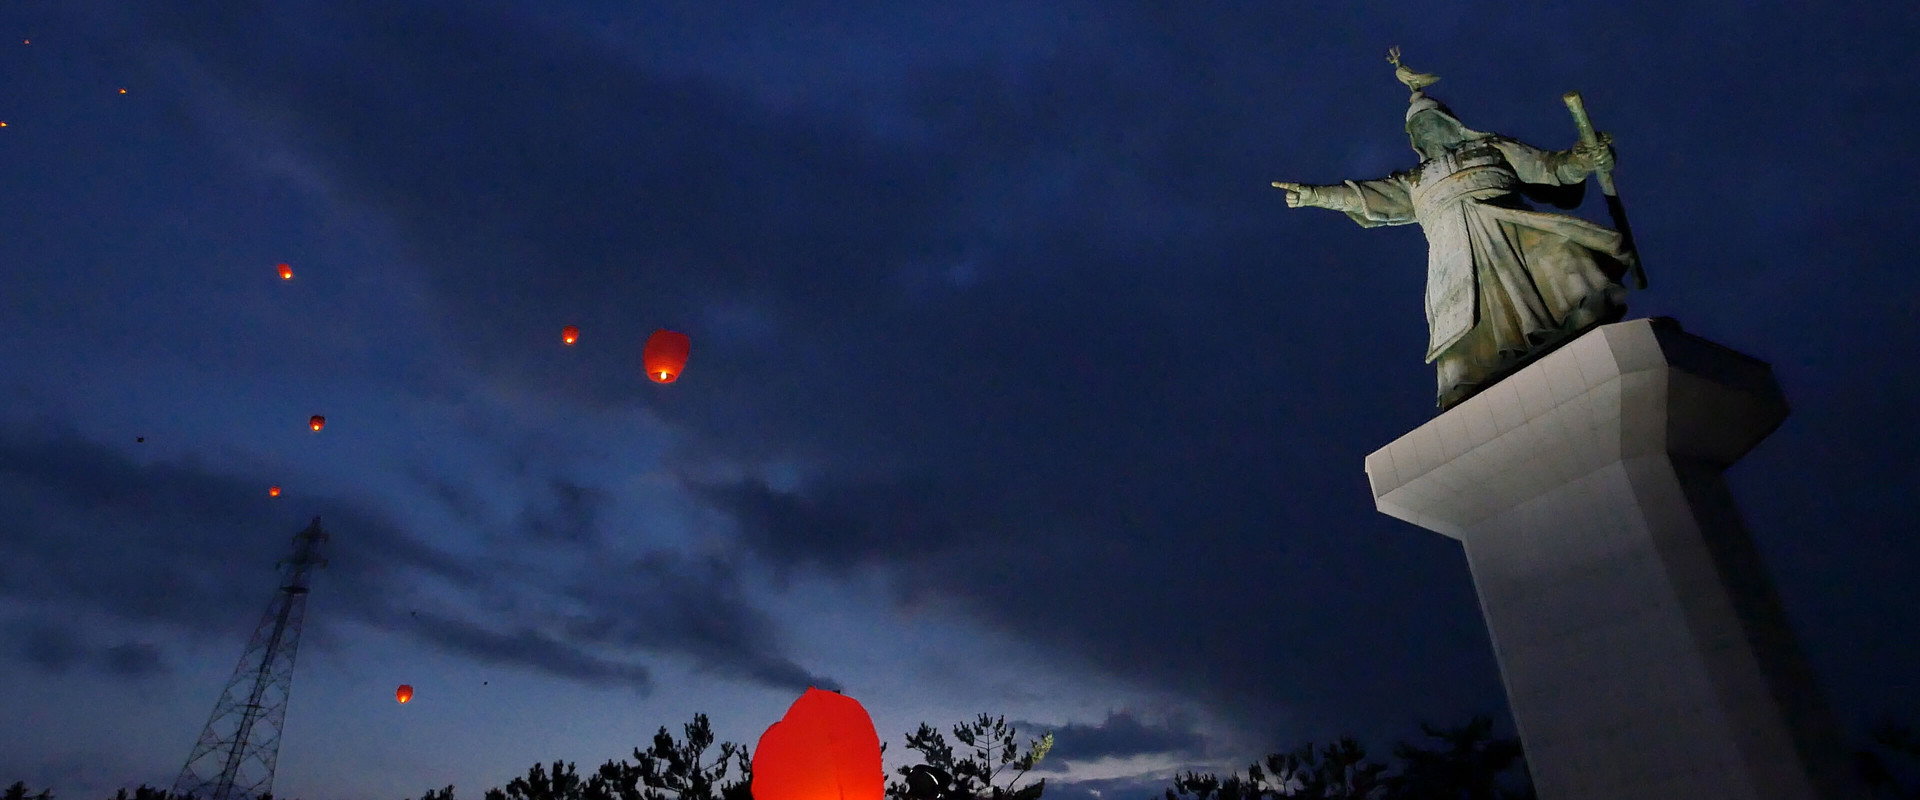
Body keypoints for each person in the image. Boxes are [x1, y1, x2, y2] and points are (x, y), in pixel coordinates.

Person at [1272, 56, 1636, 408]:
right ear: (1415, 140)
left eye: (1434, 124)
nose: (1430, 133)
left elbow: (1551, 168)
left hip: (1510, 228)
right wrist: (1315, 195)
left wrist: (1585, 158)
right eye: (1420, 131)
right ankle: (1472, 374)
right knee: (1467, 320)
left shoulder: (1491, 147)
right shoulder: (1413, 180)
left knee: (1563, 257)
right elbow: (1364, 196)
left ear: (1451, 123)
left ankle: (1582, 316)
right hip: (1455, 257)